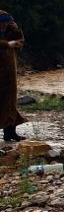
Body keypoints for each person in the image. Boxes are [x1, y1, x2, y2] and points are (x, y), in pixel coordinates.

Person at [0, 10, 26, 141]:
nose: (3, 26)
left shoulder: (11, 29)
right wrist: (8, 44)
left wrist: (17, 34)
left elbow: (21, 40)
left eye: (6, 23)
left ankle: (10, 132)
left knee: (10, 102)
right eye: (1, 23)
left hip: (10, 72)